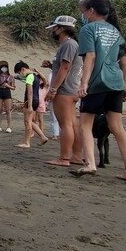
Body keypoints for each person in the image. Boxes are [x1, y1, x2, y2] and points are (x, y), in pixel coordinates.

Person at [71, 0, 126, 182]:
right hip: (116, 82)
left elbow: (90, 56)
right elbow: (125, 62)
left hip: (98, 82)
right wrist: (123, 85)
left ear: (91, 10)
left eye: (84, 11)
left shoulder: (88, 29)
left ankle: (90, 164)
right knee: (117, 127)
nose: (83, 14)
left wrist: (84, 83)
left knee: (85, 123)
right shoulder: (116, 32)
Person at [44, 16, 84, 167]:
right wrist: (51, 66)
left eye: (55, 28)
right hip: (71, 89)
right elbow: (66, 67)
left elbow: (65, 67)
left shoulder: (68, 44)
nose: (53, 31)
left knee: (65, 124)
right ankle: (77, 156)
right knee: (73, 124)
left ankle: (64, 158)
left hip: (64, 90)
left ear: (61, 28)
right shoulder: (73, 44)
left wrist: (53, 89)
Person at [14, 61, 49, 148]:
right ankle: (43, 137)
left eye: (19, 72)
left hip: (31, 101)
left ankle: (27, 142)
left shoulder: (29, 77)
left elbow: (30, 92)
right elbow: (44, 81)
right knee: (30, 121)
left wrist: (29, 106)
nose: (20, 74)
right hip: (36, 101)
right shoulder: (35, 76)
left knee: (27, 122)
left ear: (23, 69)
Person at [39, 60, 60, 140]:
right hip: (53, 95)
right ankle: (56, 133)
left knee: (58, 116)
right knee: (53, 116)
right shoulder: (52, 74)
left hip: (58, 95)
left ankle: (59, 133)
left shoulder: (56, 73)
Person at [0, 60, 15, 133]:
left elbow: (13, 88)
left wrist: (7, 85)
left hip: (7, 92)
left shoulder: (11, 77)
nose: (4, 68)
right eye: (2, 67)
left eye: (5, 67)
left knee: (8, 110)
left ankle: (9, 127)